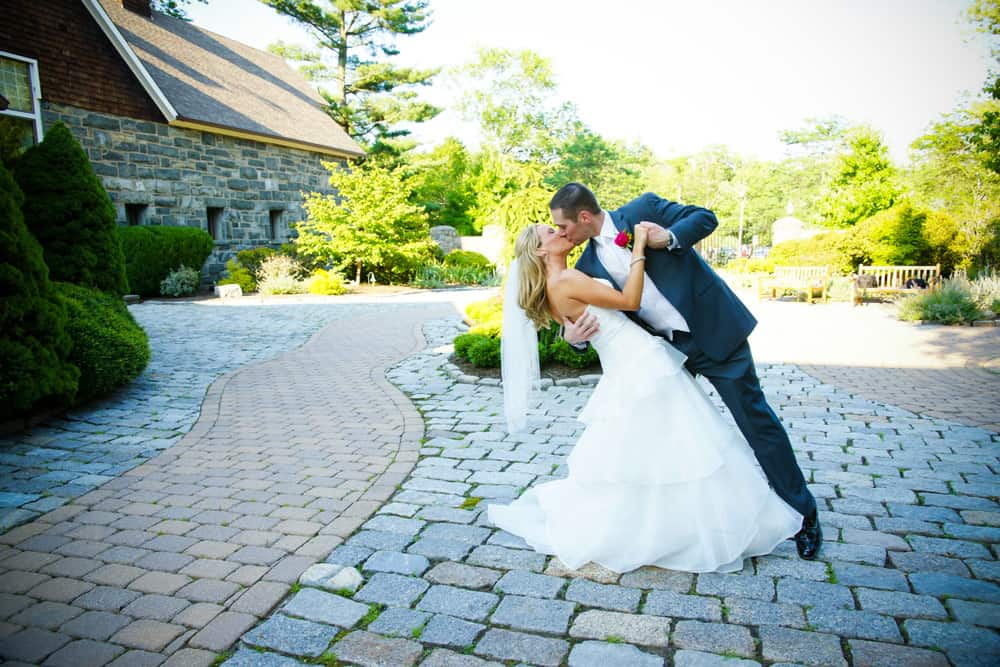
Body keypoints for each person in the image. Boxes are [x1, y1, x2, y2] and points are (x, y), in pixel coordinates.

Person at [488, 223, 803, 573]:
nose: (560, 232)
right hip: (639, 363)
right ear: (540, 251)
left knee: (654, 446)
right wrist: (638, 245)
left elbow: (574, 324)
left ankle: (664, 525)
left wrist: (569, 334)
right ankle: (675, 529)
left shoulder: (556, 284)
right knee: (681, 440)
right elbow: (629, 301)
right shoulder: (566, 280)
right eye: (550, 232)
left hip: (628, 363)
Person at [547, 183, 821, 560]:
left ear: (583, 217)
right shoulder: (585, 267)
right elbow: (584, 315)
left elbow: (705, 218)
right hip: (664, 354)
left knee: (756, 423)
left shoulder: (644, 208)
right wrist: (572, 337)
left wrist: (670, 236)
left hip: (714, 333)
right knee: (668, 438)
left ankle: (803, 514)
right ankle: (684, 526)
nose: (562, 235)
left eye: (563, 227)